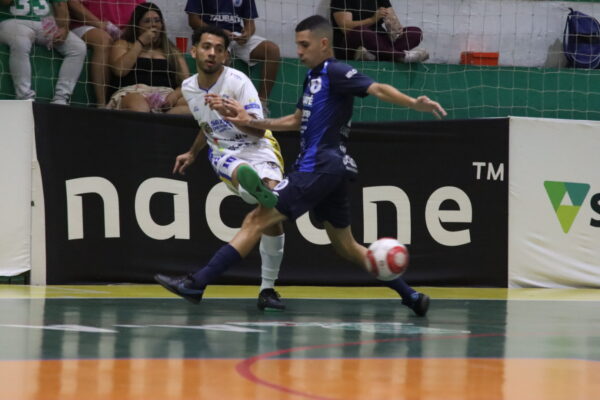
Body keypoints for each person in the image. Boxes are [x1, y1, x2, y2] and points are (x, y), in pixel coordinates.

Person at [154, 15, 446, 316]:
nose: (300, 52)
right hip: (330, 171)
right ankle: (411, 296)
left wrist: (413, 103)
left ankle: (197, 283)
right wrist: (250, 121)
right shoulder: (312, 78)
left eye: (304, 45)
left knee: (257, 220)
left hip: (318, 166)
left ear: (323, 43)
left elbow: (377, 89)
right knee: (347, 247)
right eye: (297, 45)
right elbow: (293, 121)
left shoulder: (336, 71)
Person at [167, 26, 286, 310]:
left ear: (226, 56)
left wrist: (229, 112)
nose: (212, 53)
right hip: (223, 150)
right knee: (253, 187)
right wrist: (193, 152)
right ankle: (252, 188)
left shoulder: (239, 82)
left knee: (272, 216)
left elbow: (258, 131)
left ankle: (268, 289)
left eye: (219, 49)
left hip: (258, 147)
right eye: (207, 47)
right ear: (194, 51)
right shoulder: (189, 87)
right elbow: (205, 126)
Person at [185, 0, 280, 112]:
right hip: (212, 35)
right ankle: (218, 104)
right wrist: (219, 32)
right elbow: (193, 21)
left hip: (235, 35)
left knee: (272, 50)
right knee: (222, 58)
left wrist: (246, 35)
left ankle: (261, 104)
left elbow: (250, 24)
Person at [107, 2, 190, 113]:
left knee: (194, 106)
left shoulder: (171, 50)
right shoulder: (123, 44)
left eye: (157, 20)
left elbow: (187, 83)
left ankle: (163, 123)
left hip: (166, 95)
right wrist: (140, 42)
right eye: (147, 21)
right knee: (140, 107)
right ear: (137, 25)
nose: (153, 25)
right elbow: (119, 70)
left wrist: (174, 96)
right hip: (133, 92)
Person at [0, 0, 86, 104]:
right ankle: (24, 97)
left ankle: (61, 99)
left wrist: (64, 27)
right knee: (21, 42)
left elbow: (60, 4)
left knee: (78, 47)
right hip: (12, 20)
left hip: (44, 22)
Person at [68, 0, 146, 107]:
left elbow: (142, 11)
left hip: (125, 31)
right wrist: (102, 26)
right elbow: (73, 4)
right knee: (103, 41)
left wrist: (128, 31)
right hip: (87, 24)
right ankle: (102, 104)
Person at [330, 0, 428, 63]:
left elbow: (393, 22)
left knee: (415, 32)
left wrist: (395, 28)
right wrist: (372, 20)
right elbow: (346, 28)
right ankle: (401, 56)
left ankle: (375, 56)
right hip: (353, 44)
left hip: (380, 43)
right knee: (361, 32)